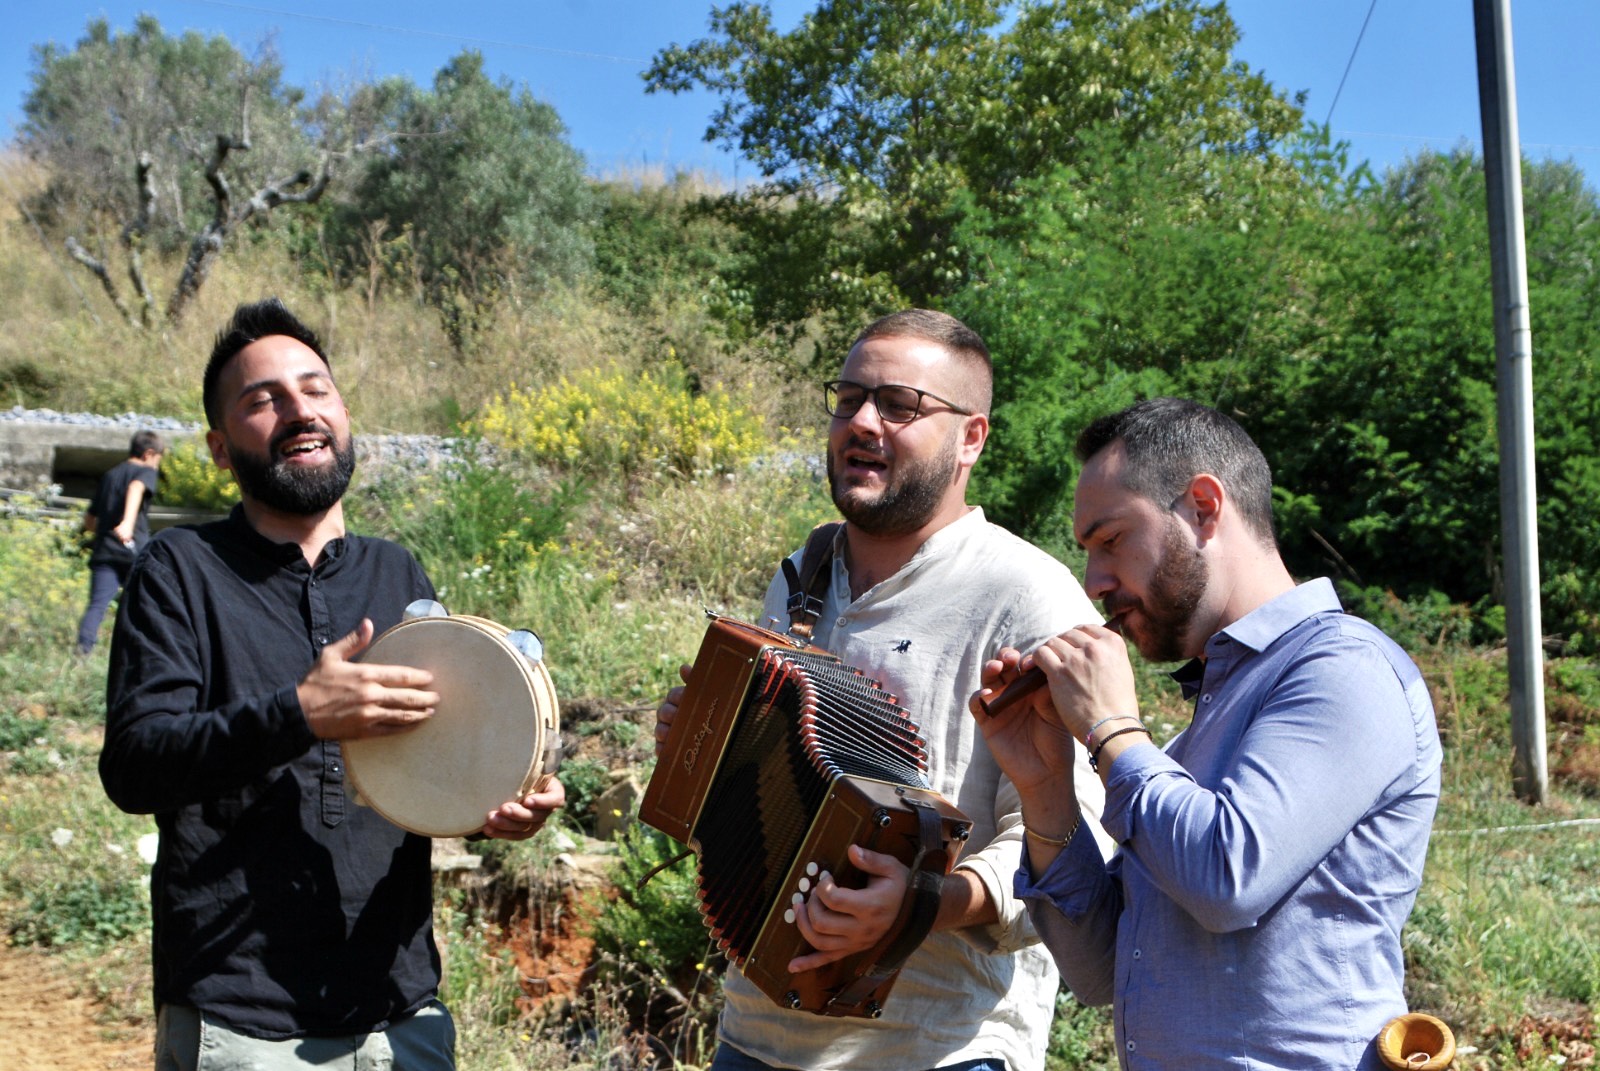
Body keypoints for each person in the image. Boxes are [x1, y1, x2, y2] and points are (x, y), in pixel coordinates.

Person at [99, 297, 566, 1071]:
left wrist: (497, 806)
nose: (298, 410)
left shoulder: (398, 572)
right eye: (263, 399)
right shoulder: (178, 571)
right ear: (220, 449)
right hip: (240, 1022)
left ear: (344, 413)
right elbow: (135, 763)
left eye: (315, 389)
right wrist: (299, 714)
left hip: (400, 1014)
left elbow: (425, 768)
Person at [655, 309, 1111, 1071]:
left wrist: (920, 904)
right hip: (753, 1035)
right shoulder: (802, 574)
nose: (863, 422)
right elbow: (754, 806)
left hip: (939, 1049)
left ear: (972, 437)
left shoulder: (1028, 596)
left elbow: (1076, 852)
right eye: (849, 397)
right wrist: (700, 753)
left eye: (901, 405)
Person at [972, 397, 1443, 1070]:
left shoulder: (1345, 670)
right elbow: (1102, 969)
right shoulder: (1201, 728)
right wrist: (1044, 784)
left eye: (1110, 541)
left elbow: (1227, 877)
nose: (1095, 582)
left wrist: (1111, 730)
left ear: (1202, 506)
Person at [75, 429, 165, 654]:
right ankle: (146, 653)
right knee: (148, 603)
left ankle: (82, 653)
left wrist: (104, 531)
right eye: (158, 460)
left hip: (105, 550)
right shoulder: (145, 472)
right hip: (132, 549)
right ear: (149, 454)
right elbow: (135, 488)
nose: (157, 466)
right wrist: (127, 523)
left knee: (97, 605)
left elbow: (89, 519)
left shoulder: (110, 475)